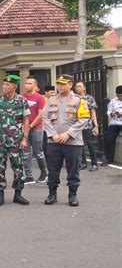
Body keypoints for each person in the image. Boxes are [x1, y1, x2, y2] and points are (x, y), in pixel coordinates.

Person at [43, 74, 90, 206]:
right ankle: (52, 194)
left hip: (73, 142)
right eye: (58, 83)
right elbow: (45, 118)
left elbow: (83, 119)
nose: (60, 86)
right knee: (53, 169)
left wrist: (68, 134)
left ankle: (72, 195)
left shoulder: (79, 100)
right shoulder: (51, 100)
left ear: (70, 84)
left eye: (63, 84)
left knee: (73, 170)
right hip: (54, 141)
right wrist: (53, 134)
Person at [0, 74, 30, 206]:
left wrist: (24, 138)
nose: (4, 86)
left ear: (15, 86)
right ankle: (0, 194)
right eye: (4, 84)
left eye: (8, 85)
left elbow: (26, 120)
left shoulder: (22, 101)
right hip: (0, 140)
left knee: (18, 167)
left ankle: (18, 194)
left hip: (16, 140)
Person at [21, 76, 48, 184]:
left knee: (38, 152)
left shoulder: (39, 98)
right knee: (25, 153)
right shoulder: (21, 97)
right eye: (26, 83)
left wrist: (30, 126)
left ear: (36, 86)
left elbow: (41, 114)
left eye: (30, 83)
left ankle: (44, 173)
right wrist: (23, 127)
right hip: (23, 129)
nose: (27, 85)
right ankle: (29, 176)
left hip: (36, 128)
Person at [74, 81, 99, 171]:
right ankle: (83, 163)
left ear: (84, 88)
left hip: (87, 124)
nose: (77, 88)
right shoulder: (73, 98)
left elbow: (93, 111)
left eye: (79, 86)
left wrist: (95, 124)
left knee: (90, 144)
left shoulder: (89, 98)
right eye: (76, 86)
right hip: (76, 124)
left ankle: (94, 163)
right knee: (80, 144)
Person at [102, 85, 122, 166]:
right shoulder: (113, 101)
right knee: (109, 139)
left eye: (121, 95)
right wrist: (112, 113)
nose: (120, 97)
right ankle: (109, 159)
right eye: (118, 95)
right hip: (114, 123)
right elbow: (108, 111)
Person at [43, 85, 55, 158]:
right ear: (46, 92)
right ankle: (47, 159)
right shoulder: (42, 100)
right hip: (44, 126)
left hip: (54, 125)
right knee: (46, 144)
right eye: (51, 92)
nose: (53, 94)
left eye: (54, 92)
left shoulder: (54, 100)